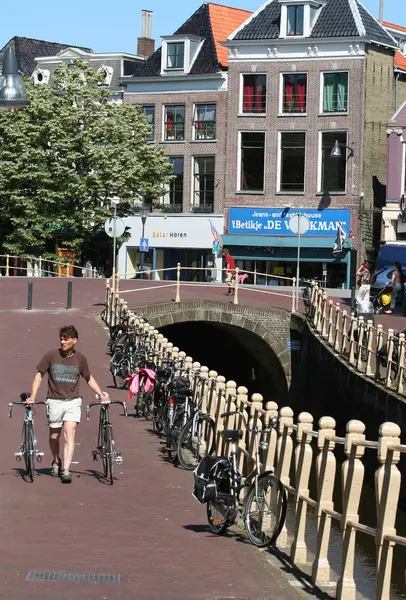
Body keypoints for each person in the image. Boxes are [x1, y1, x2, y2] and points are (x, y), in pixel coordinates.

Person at [27, 325, 109, 483]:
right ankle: (56, 460)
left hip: (73, 401)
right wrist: (33, 395)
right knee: (54, 435)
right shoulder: (51, 355)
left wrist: (99, 394)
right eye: (61, 338)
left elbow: (88, 378)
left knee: (69, 433)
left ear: (74, 340)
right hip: (54, 400)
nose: (62, 341)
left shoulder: (80, 359)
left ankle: (66, 470)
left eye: (65, 338)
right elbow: (39, 375)